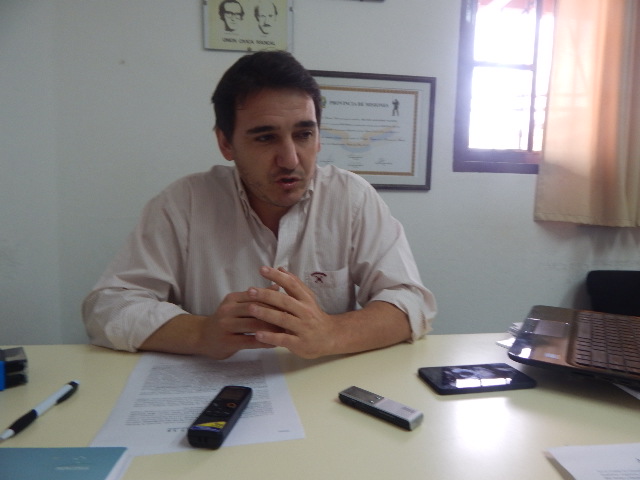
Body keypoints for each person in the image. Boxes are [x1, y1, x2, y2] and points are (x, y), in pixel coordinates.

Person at [82, 51, 436, 361]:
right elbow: (107, 308)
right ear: (226, 143)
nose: (290, 159)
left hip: (321, 390)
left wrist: (331, 333)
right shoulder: (183, 204)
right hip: (214, 390)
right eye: (266, 137)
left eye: (304, 134)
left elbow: (410, 301)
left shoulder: (352, 198)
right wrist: (201, 333)